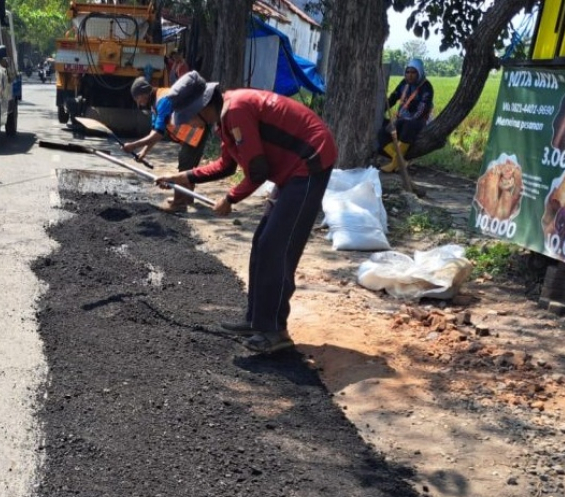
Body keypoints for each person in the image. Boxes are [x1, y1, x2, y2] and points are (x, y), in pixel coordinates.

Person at [155, 71, 337, 354]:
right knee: (261, 241)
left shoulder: (236, 111)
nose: (189, 122)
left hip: (310, 162)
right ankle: (256, 319)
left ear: (202, 107)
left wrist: (230, 199)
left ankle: (275, 331)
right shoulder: (225, 119)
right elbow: (226, 166)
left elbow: (258, 171)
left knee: (276, 246)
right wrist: (184, 176)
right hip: (291, 170)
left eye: (189, 115)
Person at [122, 75, 211, 213]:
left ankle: (179, 203)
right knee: (187, 163)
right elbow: (154, 131)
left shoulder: (162, 100)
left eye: (137, 99)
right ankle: (187, 198)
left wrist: (133, 145)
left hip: (197, 130)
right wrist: (143, 152)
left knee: (185, 163)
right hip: (191, 133)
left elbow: (158, 134)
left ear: (143, 94)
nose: (138, 103)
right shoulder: (154, 103)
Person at [377, 58, 433, 173]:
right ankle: (400, 161)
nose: (410, 75)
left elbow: (422, 110)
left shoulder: (426, 87)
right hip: (401, 120)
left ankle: (395, 163)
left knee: (409, 125)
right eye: (407, 72)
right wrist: (380, 111)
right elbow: (393, 98)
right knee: (382, 131)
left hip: (418, 121)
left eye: (413, 72)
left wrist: (405, 120)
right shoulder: (404, 84)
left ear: (420, 72)